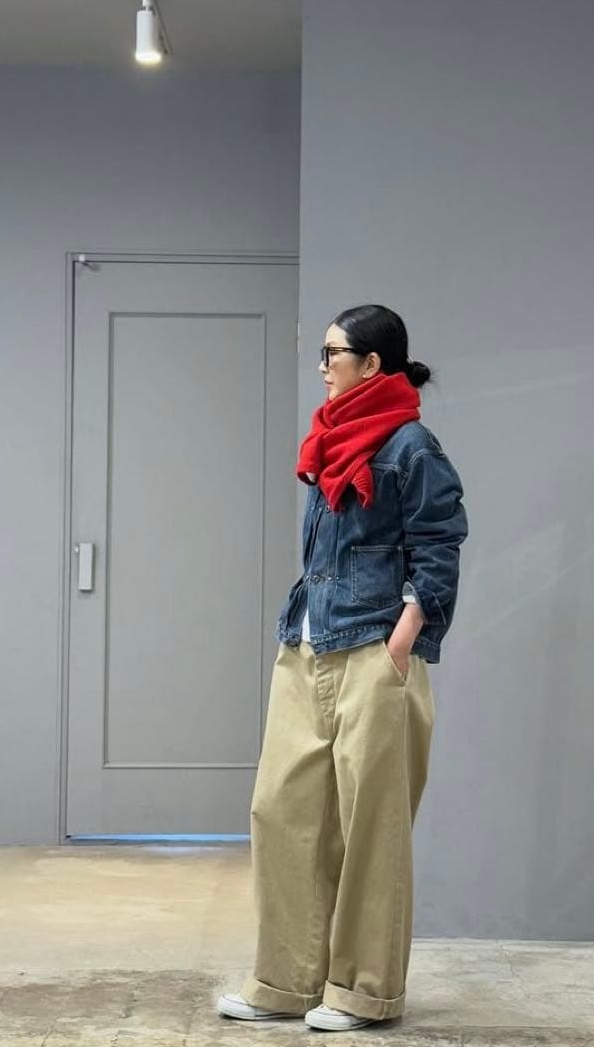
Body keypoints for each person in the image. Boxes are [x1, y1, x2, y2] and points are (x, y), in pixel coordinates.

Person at [217, 304, 468, 1031]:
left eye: (333, 353)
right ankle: (287, 980)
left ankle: (362, 990)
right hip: (307, 643)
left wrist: (405, 636)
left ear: (372, 364)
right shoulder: (331, 437)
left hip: (372, 652)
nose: (323, 366)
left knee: (371, 829)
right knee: (282, 811)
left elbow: (440, 540)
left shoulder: (411, 446)